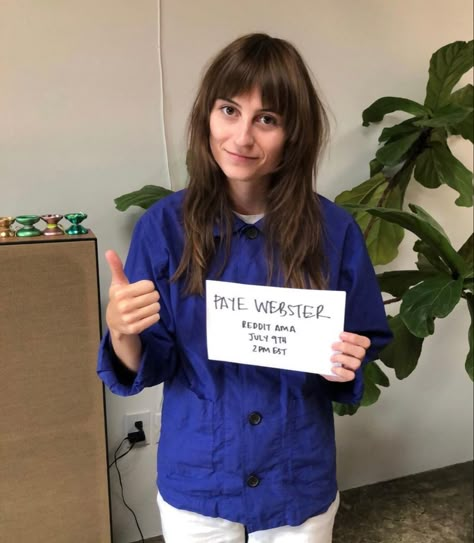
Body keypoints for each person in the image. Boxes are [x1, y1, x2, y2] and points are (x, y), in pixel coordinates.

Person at [97, 33, 392, 542]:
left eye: (268, 119)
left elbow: (359, 346)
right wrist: (122, 330)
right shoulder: (163, 228)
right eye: (229, 110)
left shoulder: (335, 231)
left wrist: (347, 359)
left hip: (296, 479)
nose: (242, 137)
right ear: (207, 116)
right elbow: (152, 360)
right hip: (199, 482)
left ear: (293, 133)